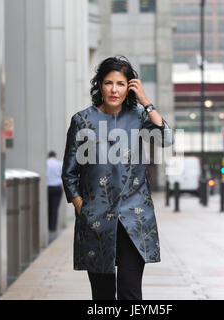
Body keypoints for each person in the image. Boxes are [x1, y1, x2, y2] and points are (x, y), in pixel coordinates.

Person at [61, 56, 174, 300]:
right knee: (102, 296)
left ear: (129, 87)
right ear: (99, 85)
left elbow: (167, 139)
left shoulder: (139, 117)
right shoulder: (82, 120)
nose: (114, 89)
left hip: (135, 219)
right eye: (108, 83)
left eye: (121, 84)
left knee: (130, 293)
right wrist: (83, 207)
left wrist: (146, 102)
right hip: (97, 220)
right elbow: (69, 173)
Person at [47, 151, 63, 232]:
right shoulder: (59, 163)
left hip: (48, 187)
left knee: (48, 207)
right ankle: (53, 227)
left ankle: (48, 226)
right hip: (57, 187)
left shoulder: (46, 163)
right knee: (55, 208)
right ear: (55, 156)